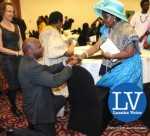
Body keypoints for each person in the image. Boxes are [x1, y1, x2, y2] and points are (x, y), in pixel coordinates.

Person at [9, 37, 77, 136]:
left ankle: (38, 124)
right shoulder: (31, 67)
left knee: (61, 99)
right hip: (38, 111)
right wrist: (70, 66)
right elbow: (55, 81)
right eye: (39, 47)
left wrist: (64, 63)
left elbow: (46, 69)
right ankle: (15, 132)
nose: (42, 48)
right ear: (30, 50)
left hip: (36, 101)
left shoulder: (26, 60)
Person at [77, 0, 143, 90]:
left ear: (114, 17)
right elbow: (97, 46)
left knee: (120, 95)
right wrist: (81, 56)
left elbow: (130, 52)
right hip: (114, 65)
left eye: (105, 17)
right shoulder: (106, 29)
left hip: (127, 68)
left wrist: (112, 55)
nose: (103, 20)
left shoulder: (127, 29)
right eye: (103, 17)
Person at [0, 2, 23, 117]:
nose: (11, 13)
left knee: (23, 82)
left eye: (12, 11)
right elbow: (0, 48)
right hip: (7, 60)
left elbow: (21, 43)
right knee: (13, 85)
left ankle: (25, 104)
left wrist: (23, 53)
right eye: (8, 11)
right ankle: (13, 106)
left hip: (19, 58)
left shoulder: (17, 26)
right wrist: (16, 53)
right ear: (2, 11)